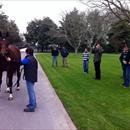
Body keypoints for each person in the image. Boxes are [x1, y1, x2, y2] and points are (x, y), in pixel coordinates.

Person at [21, 47, 38, 112]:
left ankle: (31, 107)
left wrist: (10, 60)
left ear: (27, 52)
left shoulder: (28, 59)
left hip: (29, 77)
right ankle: (33, 103)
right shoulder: (33, 58)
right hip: (33, 77)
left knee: (30, 92)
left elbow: (20, 62)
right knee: (32, 91)